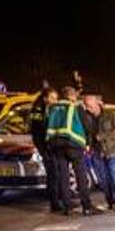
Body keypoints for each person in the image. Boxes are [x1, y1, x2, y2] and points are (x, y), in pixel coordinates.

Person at [46, 85, 95, 216]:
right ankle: (86, 206)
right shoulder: (75, 106)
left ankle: (67, 207)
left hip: (56, 145)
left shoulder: (53, 108)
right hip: (73, 144)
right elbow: (87, 126)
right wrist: (88, 142)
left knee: (64, 176)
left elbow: (47, 125)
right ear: (71, 96)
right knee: (80, 174)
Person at [81, 90, 115, 212]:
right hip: (96, 151)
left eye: (89, 105)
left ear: (97, 102)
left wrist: (103, 136)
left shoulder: (110, 114)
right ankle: (110, 202)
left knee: (113, 176)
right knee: (102, 179)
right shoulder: (86, 116)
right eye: (86, 105)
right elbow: (86, 133)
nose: (88, 108)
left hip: (111, 149)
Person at [29, 84, 61, 212]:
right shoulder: (38, 111)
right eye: (52, 98)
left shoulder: (51, 109)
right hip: (47, 148)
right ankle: (55, 203)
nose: (55, 101)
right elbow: (37, 133)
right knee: (53, 175)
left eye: (56, 98)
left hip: (53, 147)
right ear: (45, 98)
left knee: (57, 174)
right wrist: (43, 151)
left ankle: (60, 200)